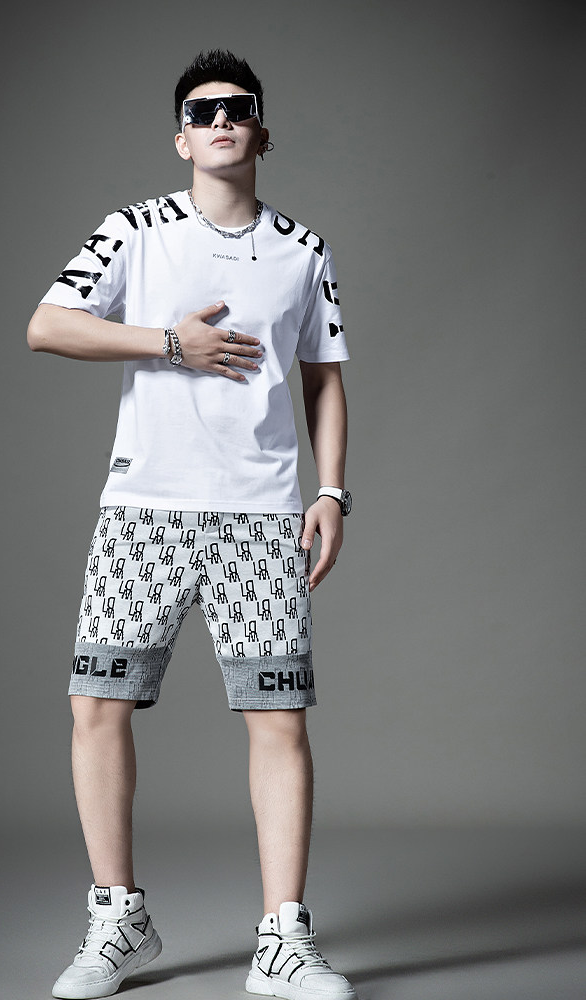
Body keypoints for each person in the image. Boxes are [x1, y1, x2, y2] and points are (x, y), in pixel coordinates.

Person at [27, 48, 356, 1000]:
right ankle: (118, 920)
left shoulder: (304, 250)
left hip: (262, 516)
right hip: (145, 511)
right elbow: (48, 324)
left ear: (261, 132)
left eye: (237, 108)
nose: (220, 120)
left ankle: (282, 940)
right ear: (181, 139)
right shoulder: (135, 230)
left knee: (278, 720)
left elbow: (325, 379)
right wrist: (172, 343)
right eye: (201, 111)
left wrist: (332, 493)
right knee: (97, 706)